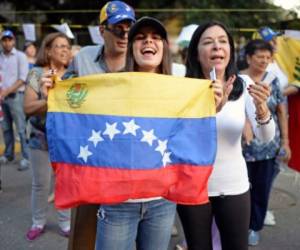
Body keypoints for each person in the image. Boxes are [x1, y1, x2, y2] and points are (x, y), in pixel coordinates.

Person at [94, 16, 225, 250]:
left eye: (156, 37)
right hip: (118, 201)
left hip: (162, 202)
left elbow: (189, 138)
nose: (149, 41)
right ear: (132, 46)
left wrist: (211, 107)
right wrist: (48, 89)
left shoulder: (181, 90)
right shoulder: (109, 87)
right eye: (141, 37)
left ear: (163, 47)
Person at [40, 2, 136, 249]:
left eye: (129, 29)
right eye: (118, 29)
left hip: (131, 161)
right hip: (90, 160)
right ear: (103, 30)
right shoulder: (82, 58)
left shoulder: (142, 59)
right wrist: (50, 90)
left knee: (125, 236)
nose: (125, 35)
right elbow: (68, 95)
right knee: (83, 234)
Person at [177, 21, 275, 250]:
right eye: (208, 42)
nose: (216, 47)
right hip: (193, 188)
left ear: (230, 50)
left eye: (222, 41)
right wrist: (212, 110)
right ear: (196, 52)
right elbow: (178, 141)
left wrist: (262, 108)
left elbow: (266, 137)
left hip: (234, 186)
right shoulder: (182, 89)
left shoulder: (245, 84)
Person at [240, 39, 290, 246]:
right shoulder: (238, 80)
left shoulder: (273, 81)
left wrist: (286, 142)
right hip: (240, 149)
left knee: (261, 190)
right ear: (249, 57)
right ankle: (237, 226)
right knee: (240, 193)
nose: (264, 61)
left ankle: (254, 227)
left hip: (268, 148)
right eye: (259, 56)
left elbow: (281, 111)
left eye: (268, 58)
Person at [24, 32, 72, 241]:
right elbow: (27, 107)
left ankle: (66, 222)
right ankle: (38, 222)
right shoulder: (37, 74)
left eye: (67, 47)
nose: (65, 50)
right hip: (39, 136)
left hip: (65, 139)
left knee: (65, 183)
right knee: (41, 183)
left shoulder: (73, 76)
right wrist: (51, 99)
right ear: (49, 50)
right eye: (59, 46)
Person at [0, 30, 30, 171]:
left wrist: (6, 91)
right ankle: (9, 154)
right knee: (6, 128)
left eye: (9, 40)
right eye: (4, 40)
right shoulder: (0, 57)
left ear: (13, 41)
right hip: (2, 98)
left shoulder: (20, 56)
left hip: (16, 96)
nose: (7, 42)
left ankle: (26, 157)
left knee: (21, 128)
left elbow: (22, 78)